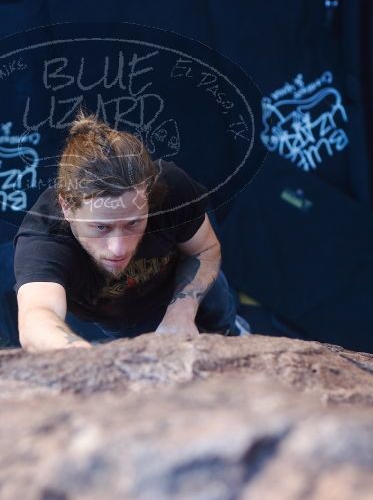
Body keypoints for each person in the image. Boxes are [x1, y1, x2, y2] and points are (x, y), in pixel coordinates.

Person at [13, 109, 241, 351]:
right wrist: (83, 359)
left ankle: (232, 330)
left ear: (149, 195)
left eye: (133, 222)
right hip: (120, 318)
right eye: (101, 227)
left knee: (224, 324)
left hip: (186, 285)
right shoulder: (44, 238)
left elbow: (204, 250)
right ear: (67, 207)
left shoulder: (171, 187)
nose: (118, 248)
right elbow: (36, 317)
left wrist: (181, 313)